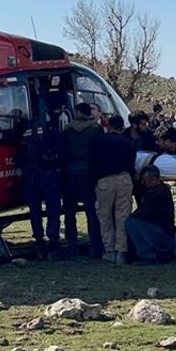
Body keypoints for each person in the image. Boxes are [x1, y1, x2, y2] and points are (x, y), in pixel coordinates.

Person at [19, 101, 64, 257]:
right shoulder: (52, 131)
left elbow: (19, 156)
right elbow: (62, 154)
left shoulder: (25, 132)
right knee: (53, 209)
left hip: (29, 177)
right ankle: (53, 241)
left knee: (35, 211)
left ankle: (38, 240)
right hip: (48, 175)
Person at [92, 114, 136, 264]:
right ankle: (121, 251)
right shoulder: (127, 142)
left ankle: (109, 250)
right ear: (121, 127)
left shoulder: (99, 141)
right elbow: (132, 163)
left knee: (105, 216)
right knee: (122, 216)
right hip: (124, 179)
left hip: (105, 180)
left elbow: (93, 161)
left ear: (108, 126)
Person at [62, 102, 103, 257]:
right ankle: (95, 245)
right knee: (91, 211)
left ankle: (72, 245)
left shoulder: (67, 129)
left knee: (69, 211)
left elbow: (63, 151)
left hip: (69, 172)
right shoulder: (96, 129)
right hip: (88, 172)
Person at [125, 162, 176, 264]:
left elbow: (143, 213)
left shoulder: (156, 194)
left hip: (163, 235)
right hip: (166, 232)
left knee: (132, 223)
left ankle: (148, 255)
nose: (143, 183)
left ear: (153, 180)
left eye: (144, 180)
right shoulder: (161, 189)